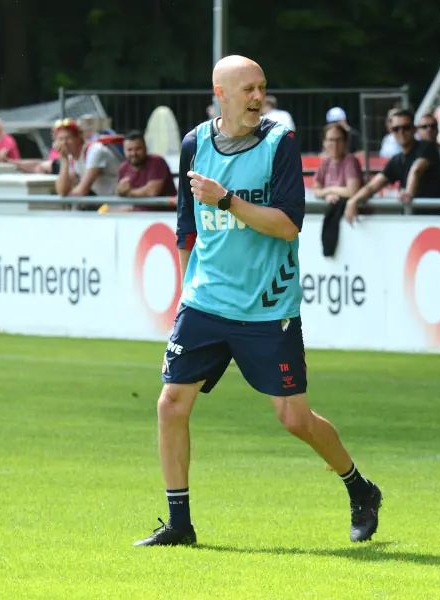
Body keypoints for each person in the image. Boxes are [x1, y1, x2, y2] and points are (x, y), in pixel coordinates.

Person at [133, 55, 383, 547]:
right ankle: (179, 523)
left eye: (261, 87)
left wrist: (226, 199)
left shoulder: (278, 143)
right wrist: (187, 290)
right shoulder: (194, 144)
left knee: (293, 418)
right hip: (204, 302)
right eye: (246, 88)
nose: (257, 97)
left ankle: (360, 488)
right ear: (220, 93)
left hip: (268, 307)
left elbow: (288, 224)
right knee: (170, 403)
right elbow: (186, 225)